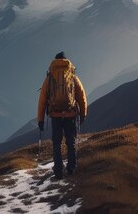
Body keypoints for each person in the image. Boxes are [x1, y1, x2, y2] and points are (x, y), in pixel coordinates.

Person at [37, 51, 87, 179]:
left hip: (56, 115)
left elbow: (42, 100)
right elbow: (81, 95)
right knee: (71, 142)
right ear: (66, 61)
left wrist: (40, 120)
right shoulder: (72, 76)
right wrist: (83, 114)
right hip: (71, 115)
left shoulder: (49, 78)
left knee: (57, 144)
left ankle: (58, 171)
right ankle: (71, 168)